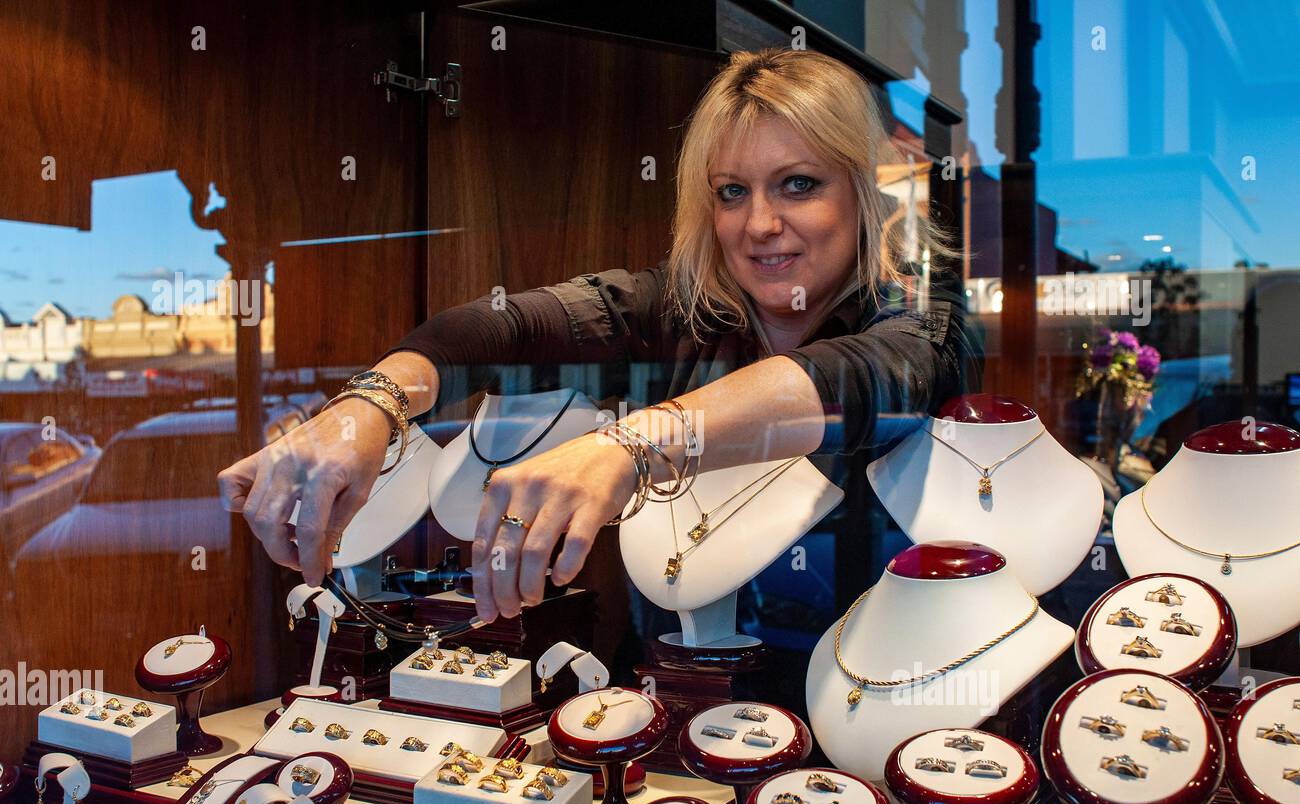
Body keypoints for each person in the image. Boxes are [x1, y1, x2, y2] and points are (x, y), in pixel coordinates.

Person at [218, 47, 983, 628]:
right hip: (672, 736)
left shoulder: (920, 321)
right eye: (731, 192)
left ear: (859, 190)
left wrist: (628, 446)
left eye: (798, 184)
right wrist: (369, 407)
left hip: (882, 728)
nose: (758, 225)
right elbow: (498, 331)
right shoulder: (673, 310)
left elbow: (846, 380)